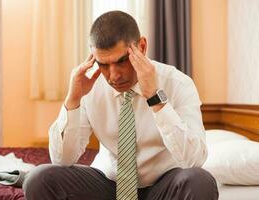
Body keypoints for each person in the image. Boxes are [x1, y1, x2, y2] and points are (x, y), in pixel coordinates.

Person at [23, 10, 218, 200]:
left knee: (200, 181)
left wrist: (154, 97)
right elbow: (62, 160)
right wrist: (72, 100)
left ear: (141, 46)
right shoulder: (90, 87)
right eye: (104, 65)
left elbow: (194, 159)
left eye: (122, 61)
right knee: (39, 179)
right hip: (108, 184)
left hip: (163, 186)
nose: (114, 75)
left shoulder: (178, 84)